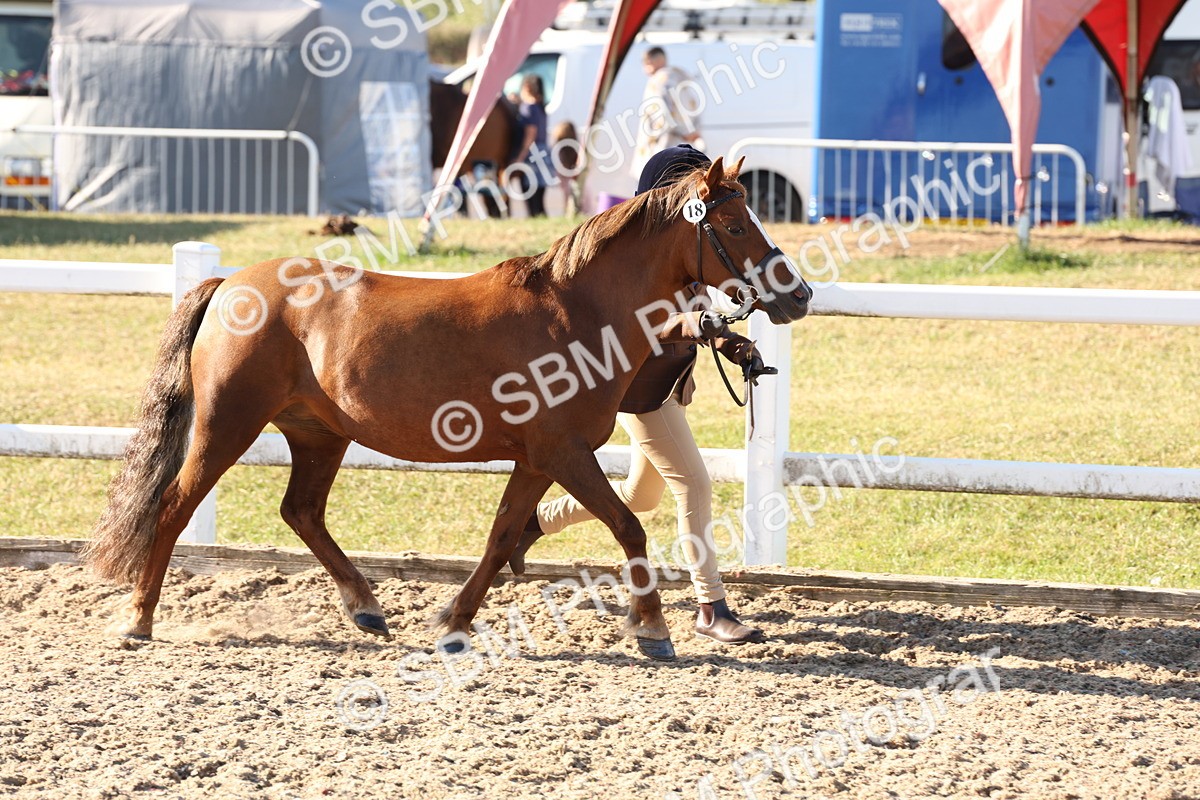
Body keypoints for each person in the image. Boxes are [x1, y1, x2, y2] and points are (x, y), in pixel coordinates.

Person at [509, 144, 770, 645]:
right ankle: (710, 606)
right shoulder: (636, 264)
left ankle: (533, 521)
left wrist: (730, 342)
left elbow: (698, 317)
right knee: (694, 485)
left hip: (663, 387)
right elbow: (639, 325)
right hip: (640, 395)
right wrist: (698, 323)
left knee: (639, 496)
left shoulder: (685, 252)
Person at [632, 47, 703, 177]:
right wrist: (691, 131)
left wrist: (683, 132)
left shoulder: (660, 80)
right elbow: (696, 105)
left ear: (659, 60)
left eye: (647, 64)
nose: (645, 70)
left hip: (663, 146)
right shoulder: (683, 77)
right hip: (684, 146)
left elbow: (663, 115)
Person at [513, 74, 550, 217]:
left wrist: (521, 157)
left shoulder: (528, 108)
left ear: (527, 87)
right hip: (543, 151)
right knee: (540, 195)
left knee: (529, 190)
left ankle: (534, 216)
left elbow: (530, 134)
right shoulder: (540, 107)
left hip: (532, 153)